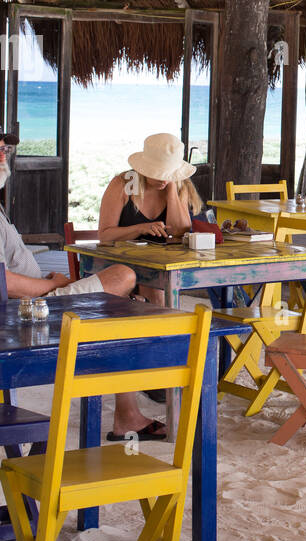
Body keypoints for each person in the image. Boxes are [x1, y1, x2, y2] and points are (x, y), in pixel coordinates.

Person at [0, 133, 164, 440]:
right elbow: (4, 282)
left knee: (125, 306)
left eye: (3, 149)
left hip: (38, 295)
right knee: (123, 279)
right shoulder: (125, 183)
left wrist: (51, 281)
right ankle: (136, 405)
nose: (3, 156)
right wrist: (48, 288)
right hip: (24, 312)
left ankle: (132, 410)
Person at [98, 132, 200, 245]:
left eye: (169, 173)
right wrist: (140, 229)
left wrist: (171, 190)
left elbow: (179, 232)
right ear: (144, 168)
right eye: (159, 173)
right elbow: (105, 236)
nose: (164, 180)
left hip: (161, 259)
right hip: (122, 258)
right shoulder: (122, 183)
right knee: (120, 265)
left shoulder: (179, 186)